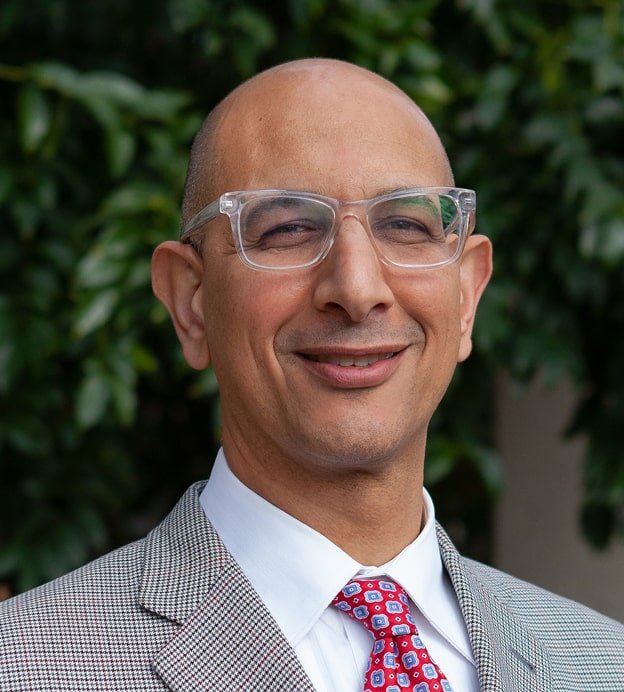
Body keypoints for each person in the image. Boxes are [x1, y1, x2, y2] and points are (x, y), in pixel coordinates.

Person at [1, 58, 623, 692]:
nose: (357, 289)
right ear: (190, 302)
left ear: (466, 297)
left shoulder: (603, 663)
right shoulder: (25, 666)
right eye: (288, 229)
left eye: (405, 225)